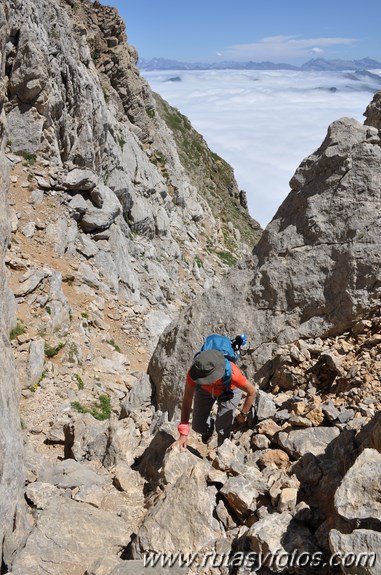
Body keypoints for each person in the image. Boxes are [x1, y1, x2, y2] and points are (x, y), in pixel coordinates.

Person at [172, 349, 256, 451]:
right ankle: (209, 431)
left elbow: (251, 392)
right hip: (205, 390)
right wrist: (183, 433)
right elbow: (186, 402)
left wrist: (243, 415)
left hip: (229, 390)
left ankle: (223, 453)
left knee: (222, 429)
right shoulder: (195, 373)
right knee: (198, 426)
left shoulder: (233, 374)